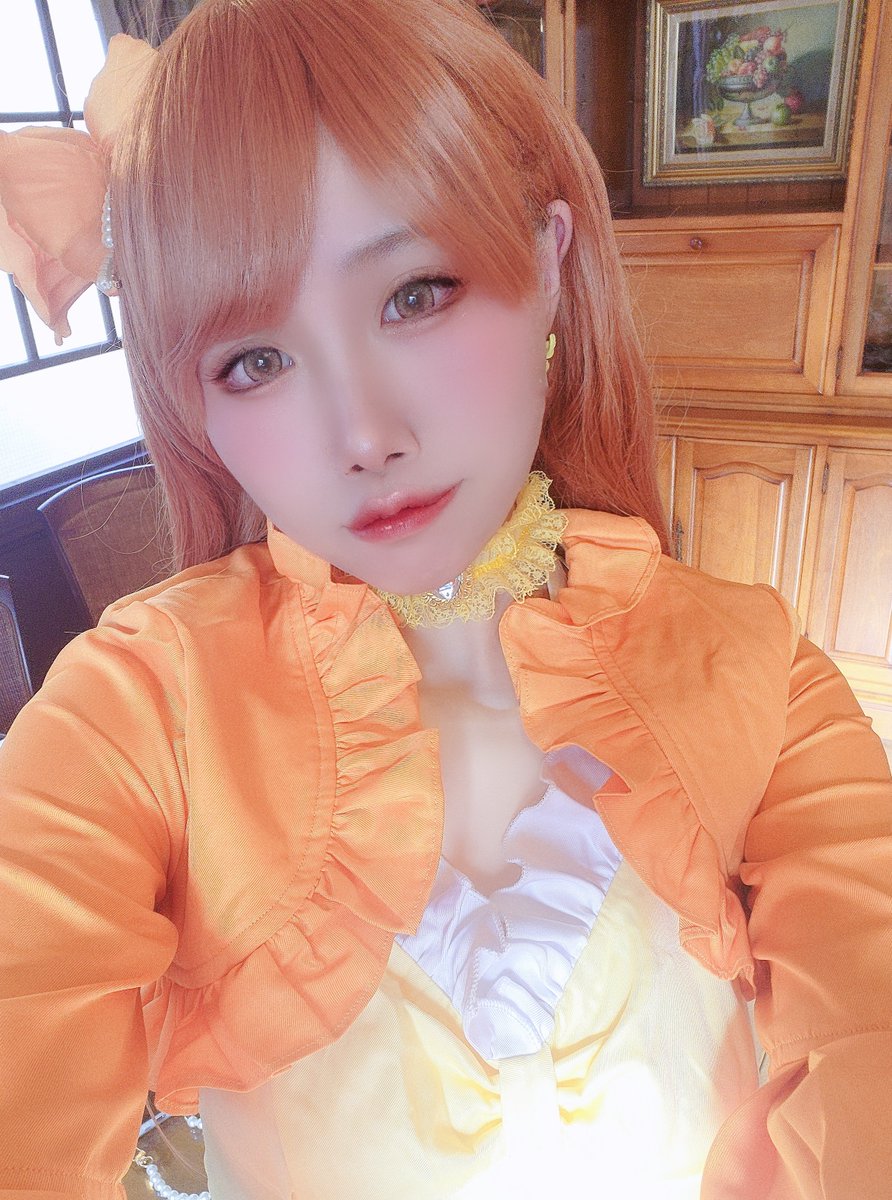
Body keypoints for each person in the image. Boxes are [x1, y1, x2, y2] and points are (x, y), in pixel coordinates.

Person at [0, 1, 890, 1197]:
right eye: (254, 359)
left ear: (550, 263)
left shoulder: (758, 670)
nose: (362, 433)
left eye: (415, 293)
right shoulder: (137, 710)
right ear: (192, 404)